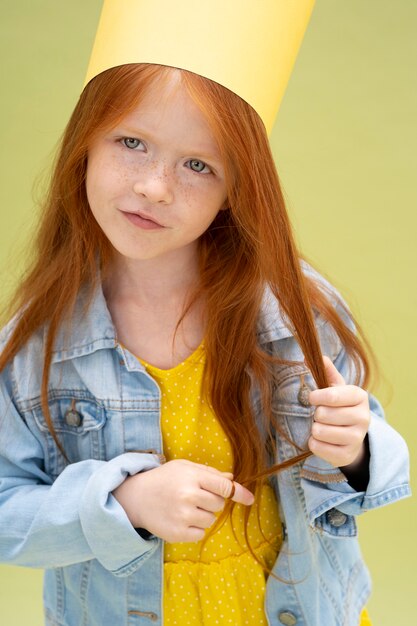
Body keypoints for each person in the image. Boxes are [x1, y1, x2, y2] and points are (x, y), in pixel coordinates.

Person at [0, 4, 410, 626]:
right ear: (85, 143)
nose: (155, 187)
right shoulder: (39, 341)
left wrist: (353, 449)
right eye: (131, 142)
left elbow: (374, 452)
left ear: (234, 189)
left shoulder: (293, 310)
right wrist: (122, 504)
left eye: (198, 165)